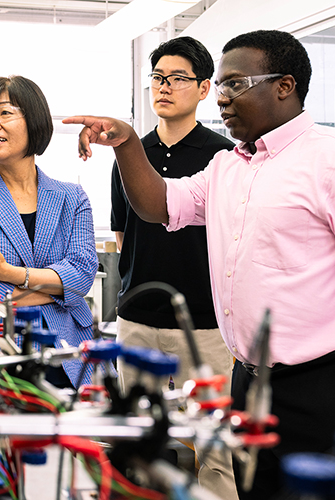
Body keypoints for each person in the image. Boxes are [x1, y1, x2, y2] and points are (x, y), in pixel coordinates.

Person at [65, 29, 335, 498]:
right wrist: (126, 143)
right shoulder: (230, 166)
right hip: (248, 380)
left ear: (284, 86)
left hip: (327, 384)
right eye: (220, 86)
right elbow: (159, 204)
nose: (221, 98)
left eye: (234, 85)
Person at [111, 36, 238, 499]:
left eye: (178, 78)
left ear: (204, 88)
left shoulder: (225, 157)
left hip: (204, 326)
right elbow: (124, 235)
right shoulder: (129, 153)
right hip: (137, 321)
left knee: (213, 444)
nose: (164, 87)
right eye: (158, 78)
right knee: (138, 436)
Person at [0, 75, 98, 389]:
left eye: (4, 112)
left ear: (34, 120)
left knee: (75, 434)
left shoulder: (72, 197)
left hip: (69, 347)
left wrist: (6, 272)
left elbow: (82, 275)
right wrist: (56, 290)